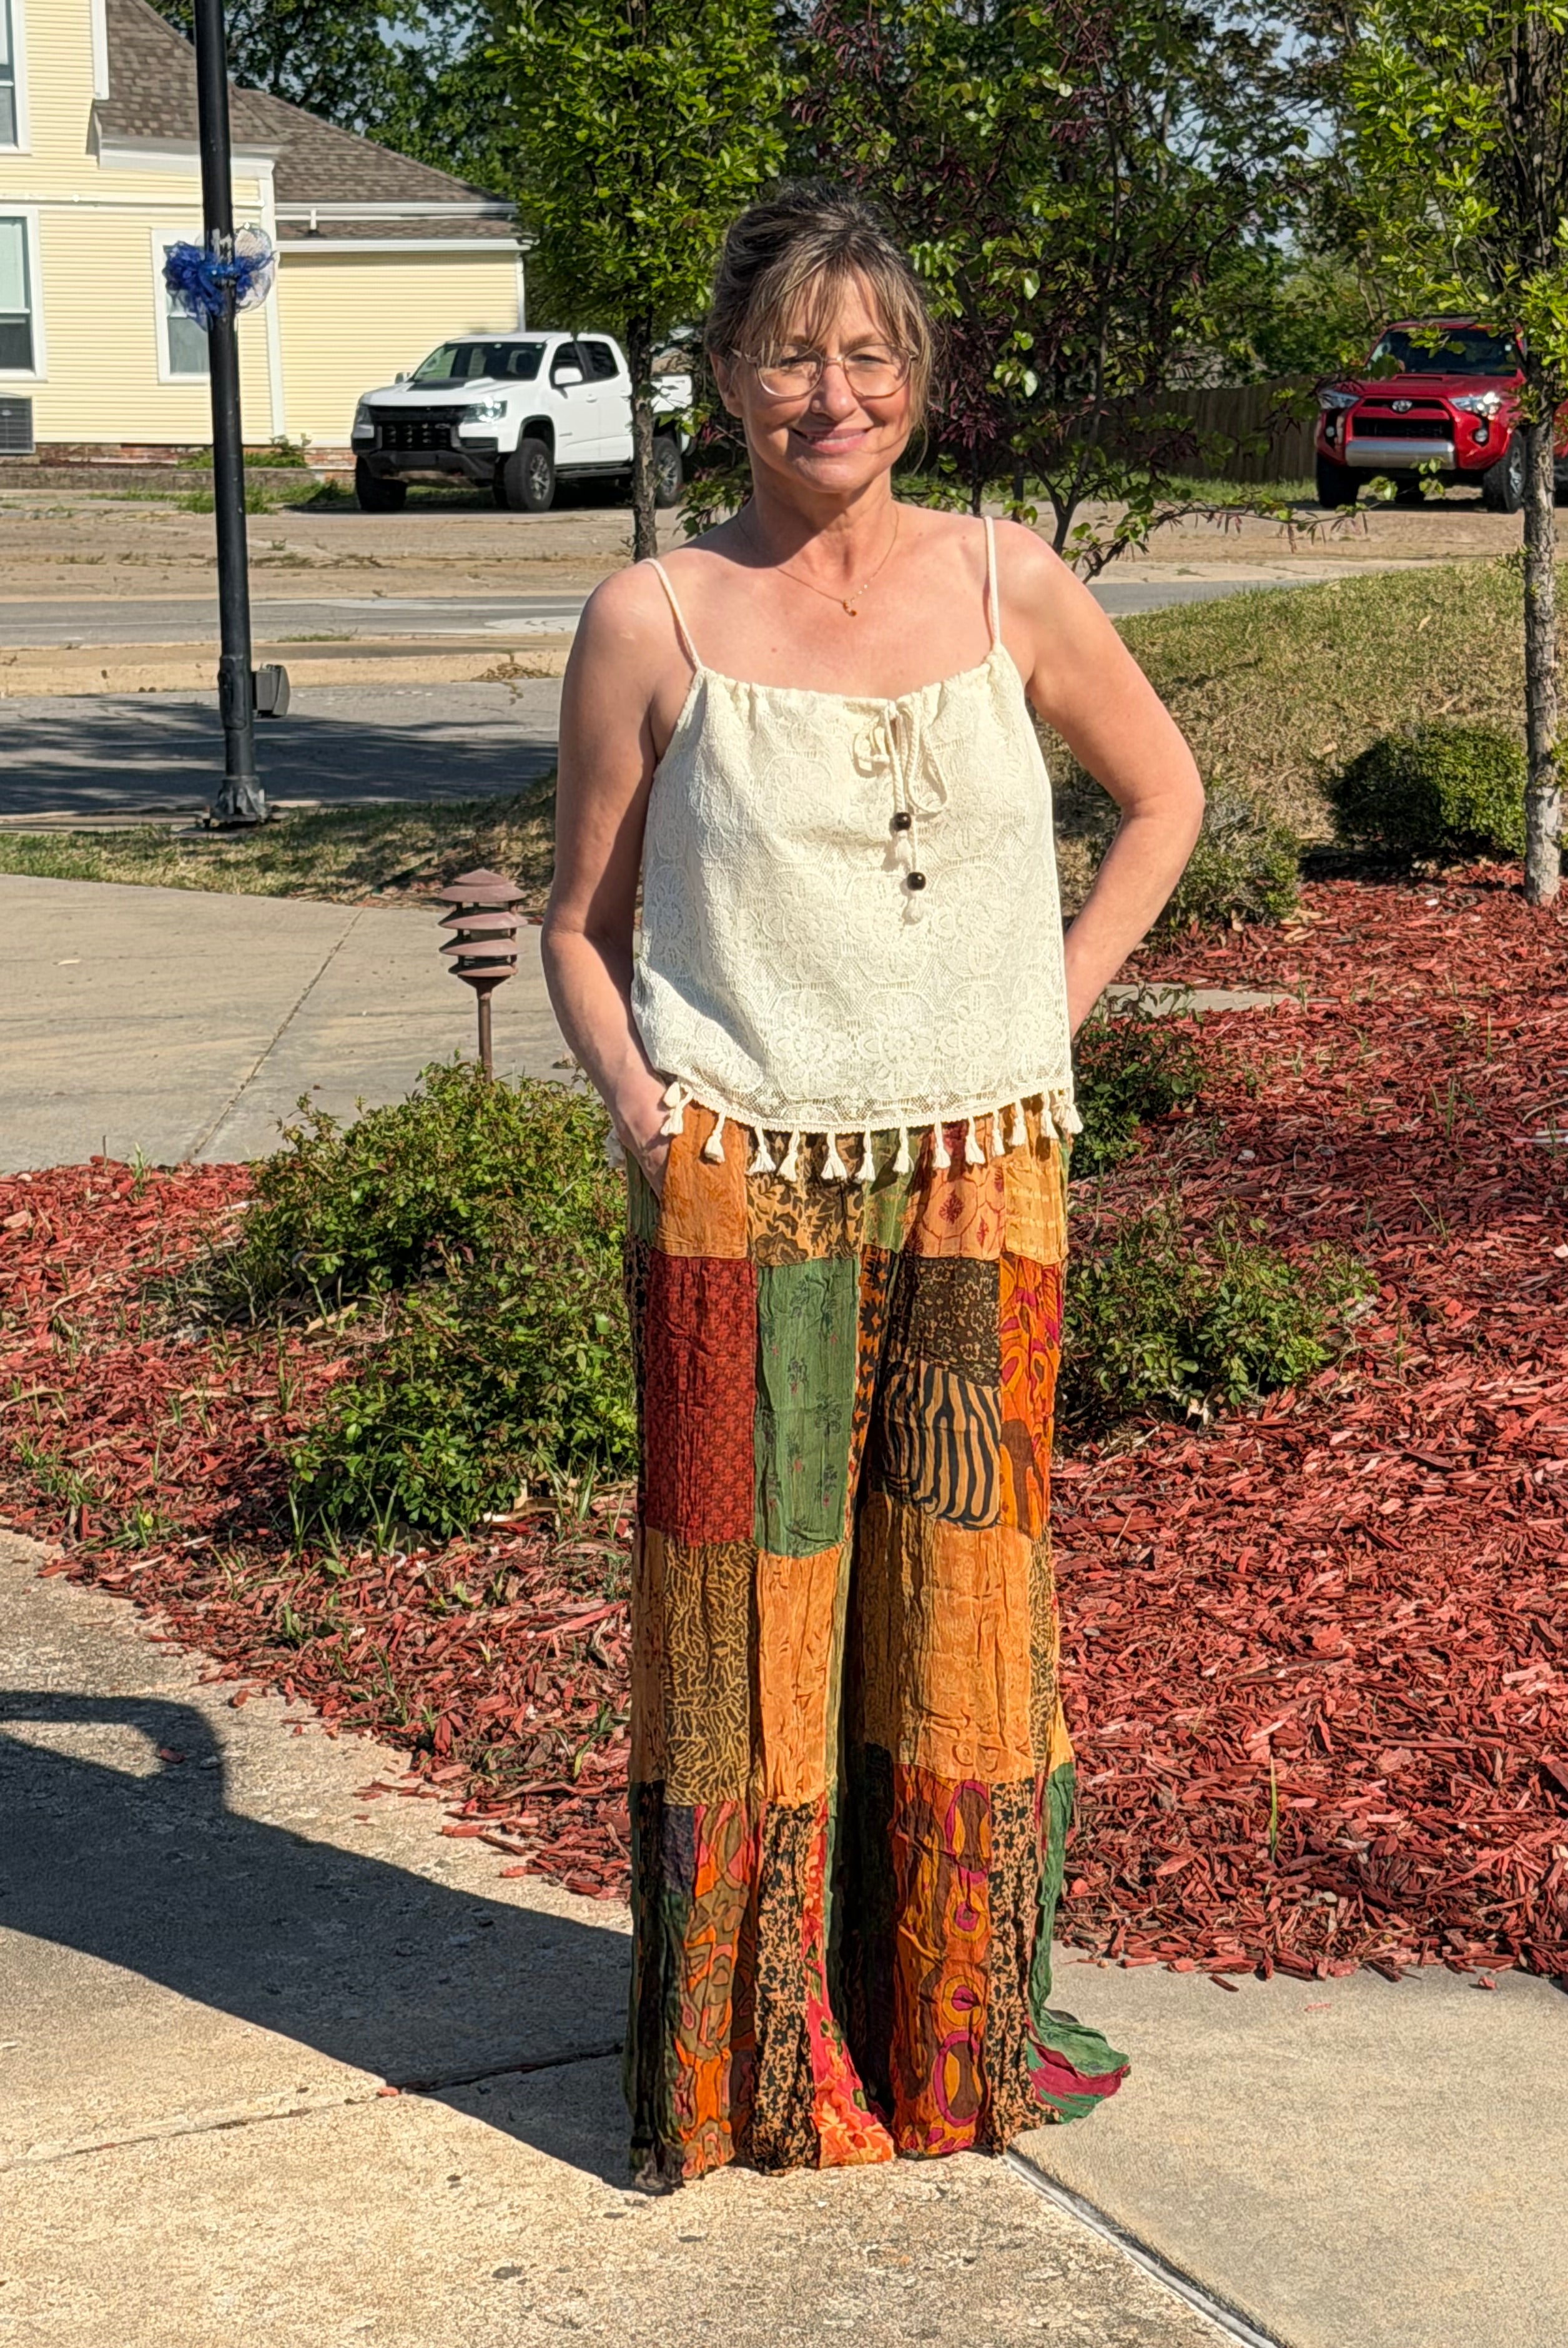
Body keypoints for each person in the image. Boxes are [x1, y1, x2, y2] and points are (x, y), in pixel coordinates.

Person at [543, 184, 1203, 2184]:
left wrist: (1051, 1011)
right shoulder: (654, 618)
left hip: (985, 1178)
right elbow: (583, 926)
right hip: (748, 1185)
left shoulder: (1017, 587)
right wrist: (655, 1126)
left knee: (972, 1613)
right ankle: (746, 2055)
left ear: (914, 378)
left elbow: (1166, 796)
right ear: (728, 377)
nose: (829, 392)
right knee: (749, 1626)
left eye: (867, 354)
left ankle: (955, 2036)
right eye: (789, 354)